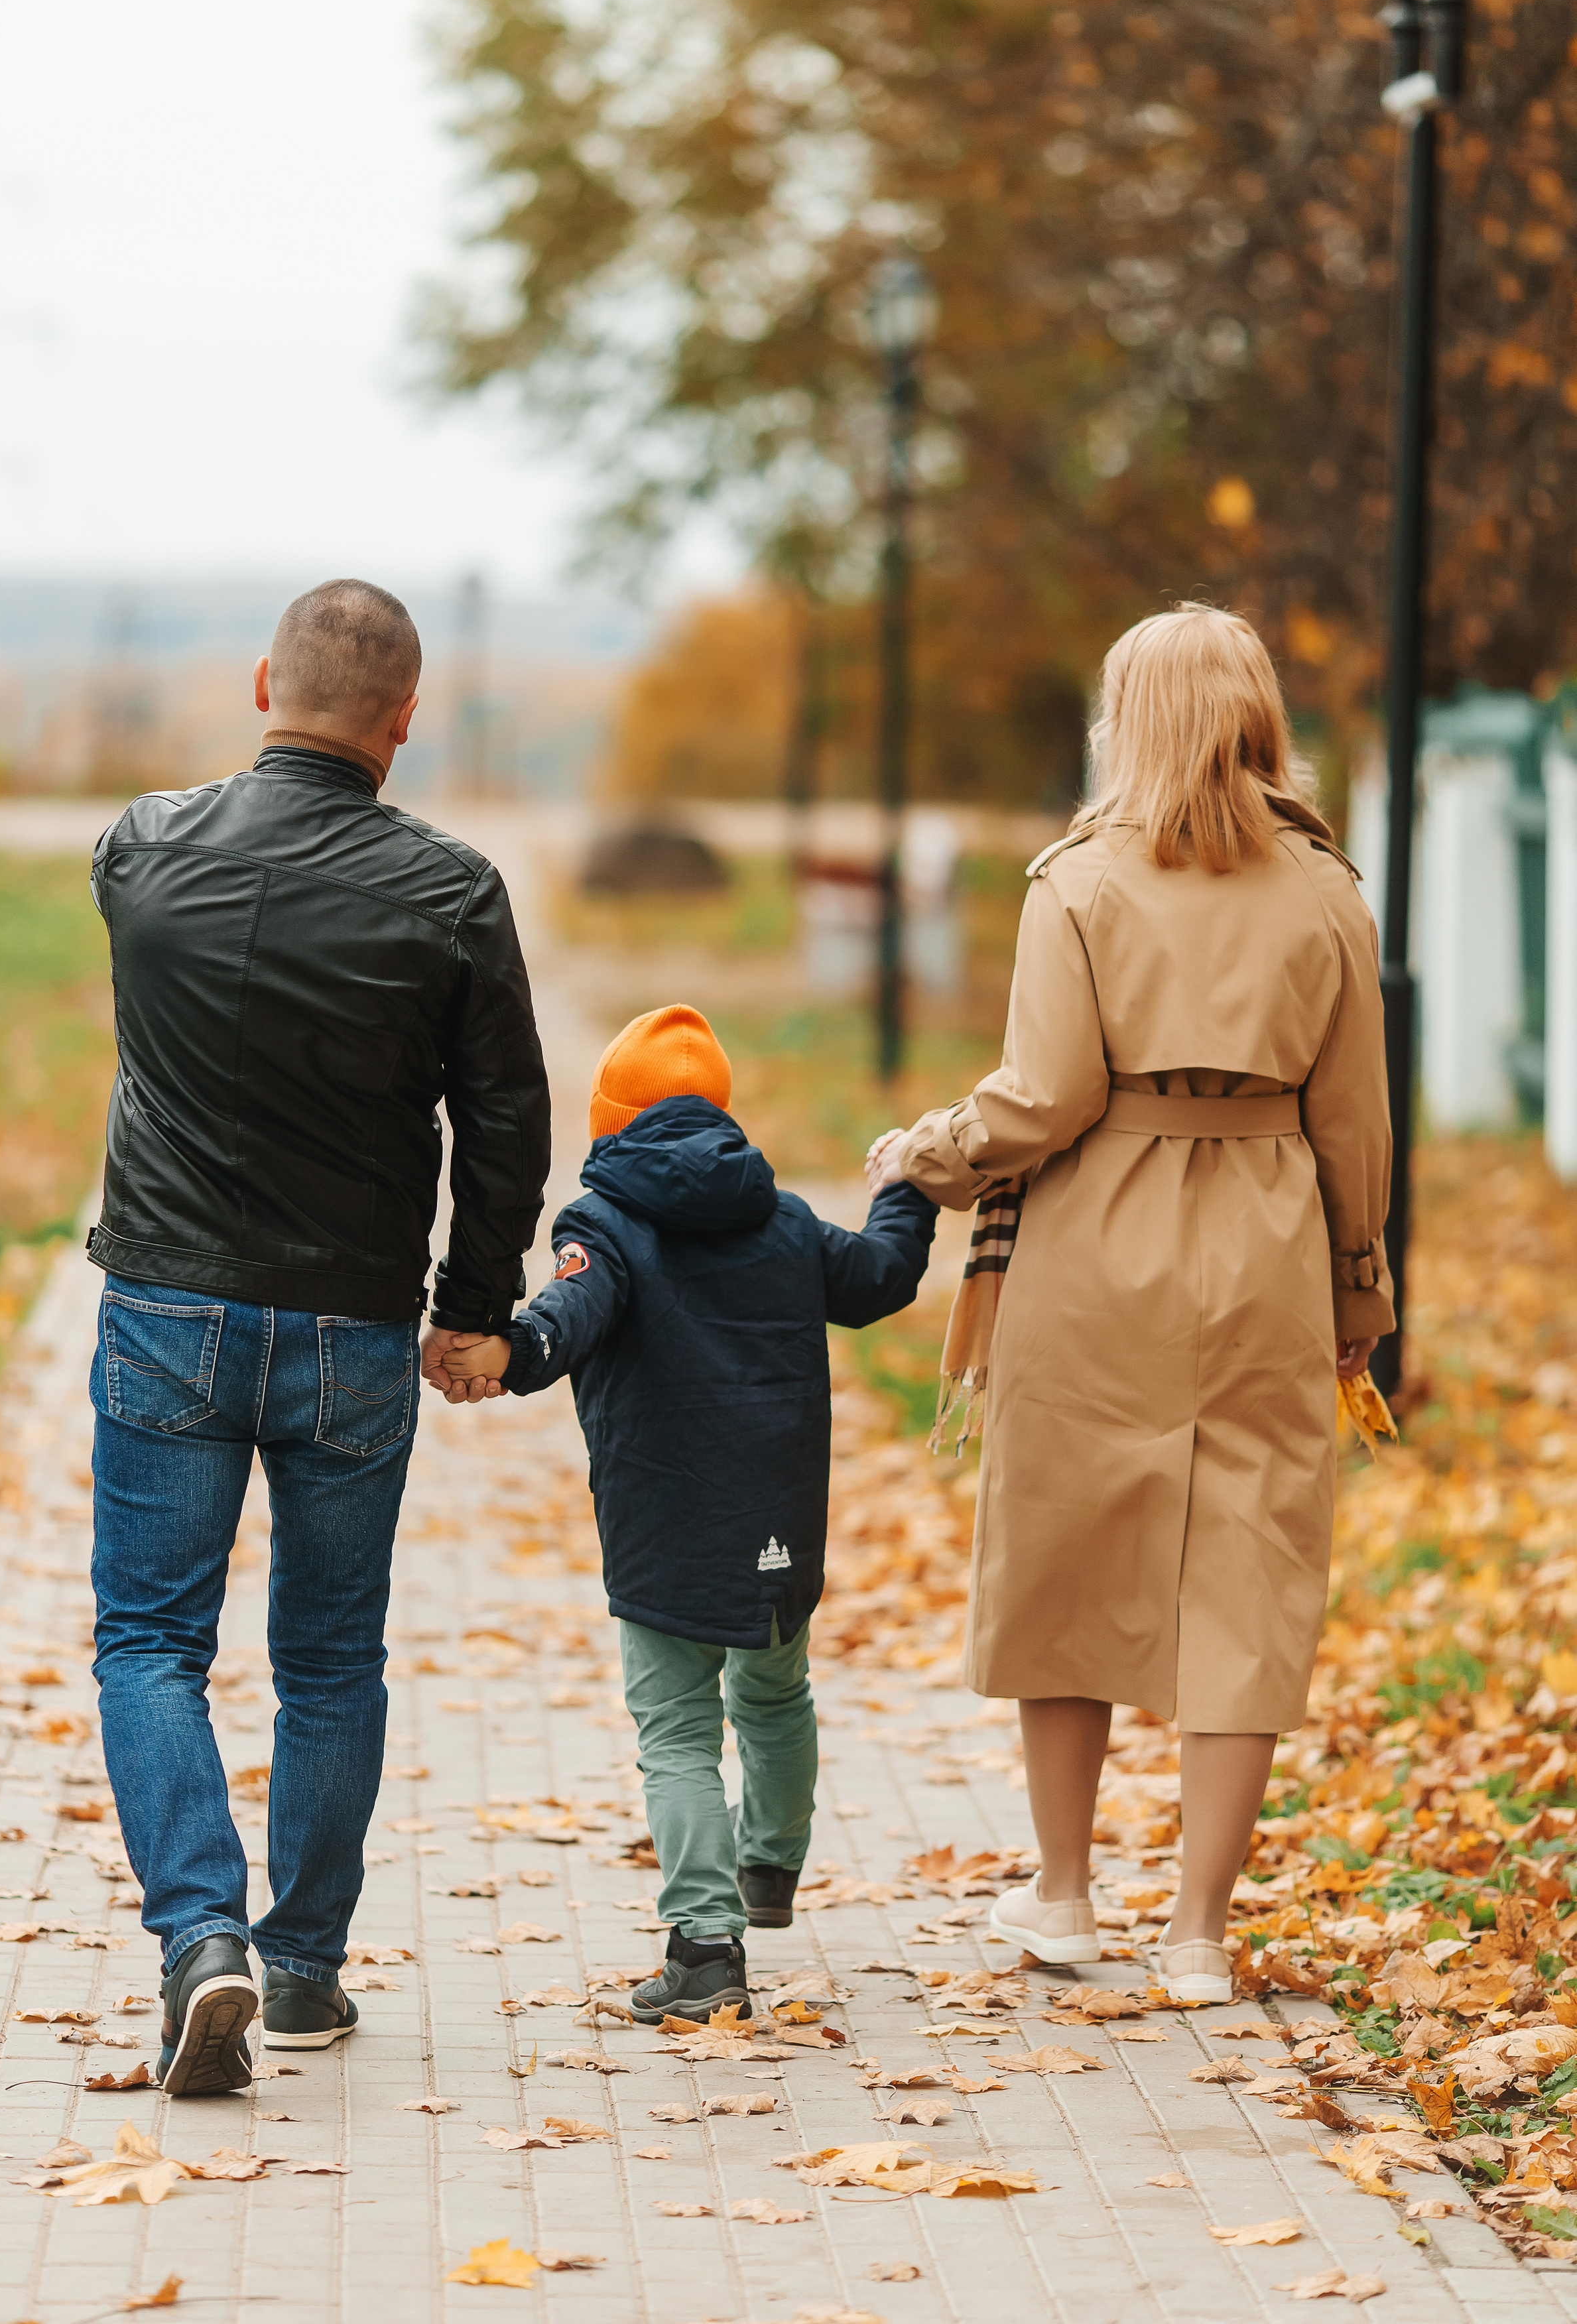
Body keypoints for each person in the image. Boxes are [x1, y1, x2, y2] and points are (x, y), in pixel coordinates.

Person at [866, 605, 1393, 2007]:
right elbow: (1354, 1126)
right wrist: (1359, 1289)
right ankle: (1200, 1934)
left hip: (1097, 1243)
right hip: (1271, 1237)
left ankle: (1061, 1897)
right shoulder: (1328, 892)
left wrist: (927, 1154)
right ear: (1252, 712)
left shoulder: (1078, 883)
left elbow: (1045, 1098)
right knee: (1251, 1570)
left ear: (1129, 718)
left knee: (1068, 1544)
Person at [86, 578, 550, 2095]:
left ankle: (197, 1940)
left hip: (164, 1304)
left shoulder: (142, 848)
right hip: (353, 1330)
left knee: (152, 1642)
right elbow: (505, 1122)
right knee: (331, 1661)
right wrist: (474, 1309)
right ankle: (296, 1977)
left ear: (263, 680)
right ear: (404, 723)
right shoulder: (455, 894)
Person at [435, 1004, 936, 2022]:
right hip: (780, 1520)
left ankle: (707, 1949)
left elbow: (564, 1320)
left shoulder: (604, 1227)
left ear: (610, 1123)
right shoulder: (786, 1221)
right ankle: (770, 1870)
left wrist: (504, 1356)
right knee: (773, 1696)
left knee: (675, 1732)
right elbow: (881, 1278)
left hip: (665, 1522)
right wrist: (906, 1192)